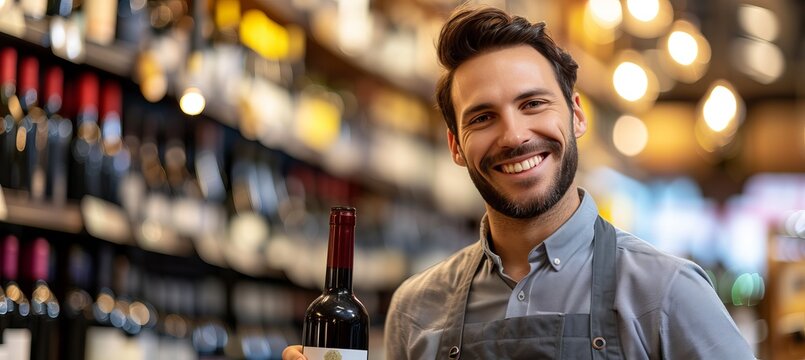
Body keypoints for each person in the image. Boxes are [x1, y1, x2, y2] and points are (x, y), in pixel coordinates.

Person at [284, 4, 755, 360]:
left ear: (575, 114)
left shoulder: (668, 295)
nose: (514, 136)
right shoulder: (417, 308)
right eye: (484, 117)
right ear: (455, 145)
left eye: (533, 104)